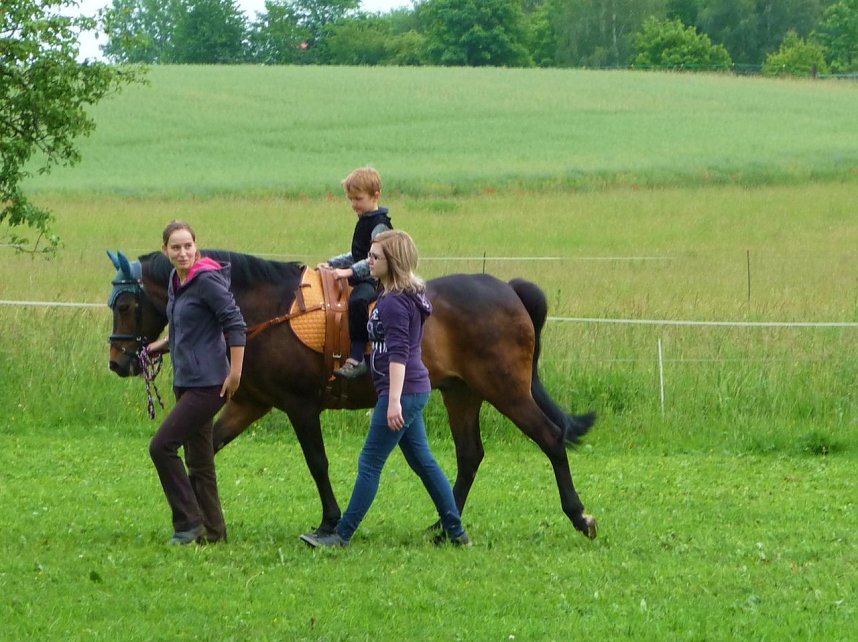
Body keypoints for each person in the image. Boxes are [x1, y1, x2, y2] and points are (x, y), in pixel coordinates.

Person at [300, 230, 470, 548]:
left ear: (391, 262)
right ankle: (457, 532)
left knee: (370, 463)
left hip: (402, 392)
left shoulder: (393, 302)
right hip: (410, 390)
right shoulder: (404, 294)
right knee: (423, 460)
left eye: (375, 257)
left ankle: (341, 535)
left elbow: (398, 354)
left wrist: (392, 402)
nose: (369, 262)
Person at [145, 220, 246, 545]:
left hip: (209, 384)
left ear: (195, 245)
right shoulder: (177, 279)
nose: (183, 252)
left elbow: (235, 322)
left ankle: (188, 524)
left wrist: (236, 373)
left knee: (162, 446)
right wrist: (163, 344)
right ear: (166, 251)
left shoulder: (206, 280)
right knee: (200, 461)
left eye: (188, 245)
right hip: (186, 380)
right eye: (176, 247)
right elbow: (185, 322)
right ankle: (215, 533)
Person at [317, 166, 392, 379]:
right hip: (364, 274)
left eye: (358, 199)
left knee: (358, 301)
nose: (353, 204)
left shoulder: (380, 225)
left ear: (375, 196)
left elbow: (374, 259)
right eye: (351, 199)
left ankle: (358, 356)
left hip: (377, 279)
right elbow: (357, 253)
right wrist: (332, 264)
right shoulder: (365, 220)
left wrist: (348, 272)